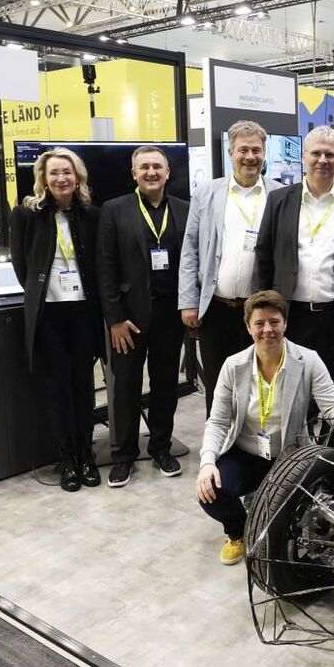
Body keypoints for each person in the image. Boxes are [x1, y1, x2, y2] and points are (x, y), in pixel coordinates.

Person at [196, 290, 334, 565]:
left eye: (274, 321)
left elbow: (333, 414)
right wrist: (206, 462)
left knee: (286, 527)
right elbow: (218, 421)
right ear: (248, 327)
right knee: (210, 492)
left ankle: (264, 514)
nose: (267, 329)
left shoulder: (308, 360)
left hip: (289, 456)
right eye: (259, 323)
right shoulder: (233, 366)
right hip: (246, 452)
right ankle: (239, 531)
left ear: (285, 324)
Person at [256, 126, 334, 392]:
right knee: (290, 391)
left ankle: (332, 436)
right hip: (291, 317)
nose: (322, 160)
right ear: (303, 157)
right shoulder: (279, 200)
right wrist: (262, 312)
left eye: (330, 155)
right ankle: (296, 436)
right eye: (316, 154)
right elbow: (264, 258)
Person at [96, 146, 191, 488]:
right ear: (133, 174)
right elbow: (104, 269)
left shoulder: (184, 209)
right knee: (125, 388)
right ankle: (122, 456)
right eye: (144, 167)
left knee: (166, 386)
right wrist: (114, 319)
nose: (151, 172)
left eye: (158, 167)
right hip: (128, 319)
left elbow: (190, 264)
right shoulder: (114, 210)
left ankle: (161, 448)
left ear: (168, 173)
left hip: (170, 315)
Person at [10, 148, 103, 492]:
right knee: (57, 388)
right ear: (43, 179)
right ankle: (67, 460)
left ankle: (87, 455)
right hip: (48, 313)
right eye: (54, 173)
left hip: (83, 312)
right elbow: (22, 267)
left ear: (77, 176)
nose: (61, 178)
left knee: (83, 387)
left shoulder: (91, 216)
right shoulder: (26, 215)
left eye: (67, 172)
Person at [178, 120, 284, 412]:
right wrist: (189, 302)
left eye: (256, 150)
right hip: (216, 310)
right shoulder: (207, 194)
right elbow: (190, 250)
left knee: (260, 380)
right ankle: (220, 448)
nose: (250, 156)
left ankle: (256, 447)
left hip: (260, 313)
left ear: (265, 153)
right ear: (230, 152)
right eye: (243, 149)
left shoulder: (279, 195)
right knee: (218, 383)